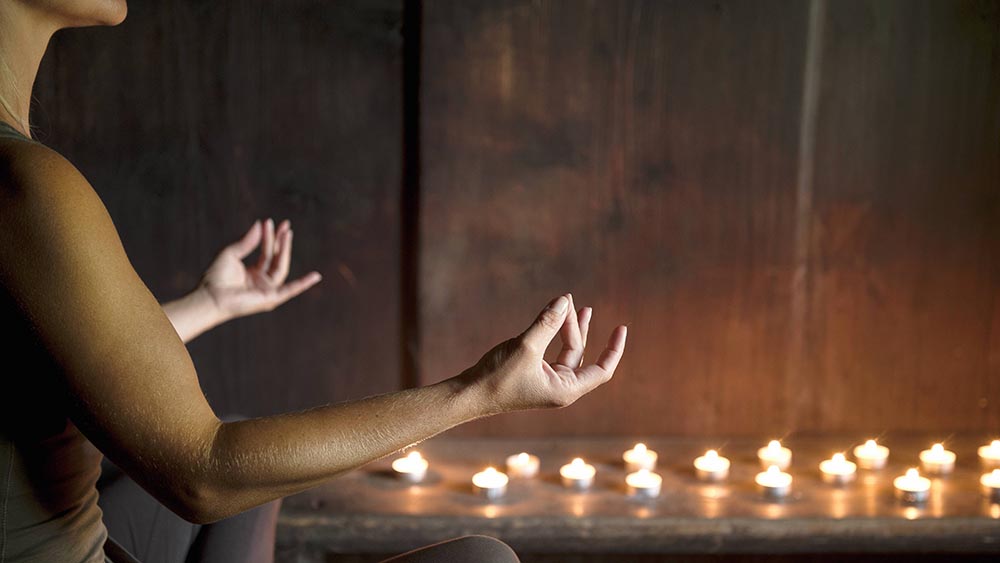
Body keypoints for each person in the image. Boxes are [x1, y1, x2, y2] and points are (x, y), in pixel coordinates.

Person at [0, 2, 629, 563]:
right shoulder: (26, 185)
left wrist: (207, 305)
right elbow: (204, 476)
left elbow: (37, 365)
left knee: (252, 475)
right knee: (482, 561)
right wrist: (479, 391)